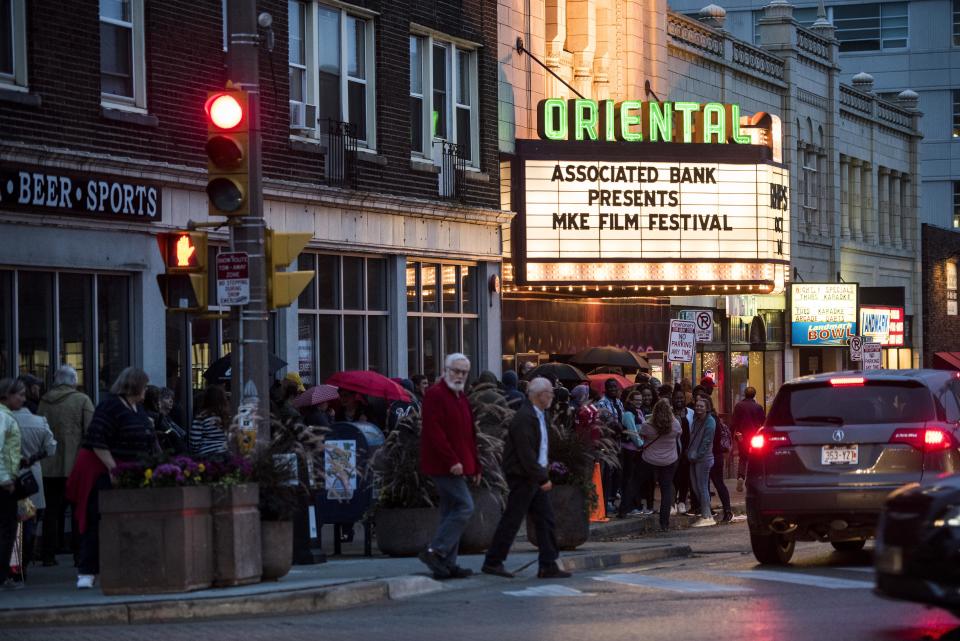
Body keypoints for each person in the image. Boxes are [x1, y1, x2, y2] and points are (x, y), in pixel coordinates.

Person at [67, 367, 157, 589]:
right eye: (144, 386)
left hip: (132, 469)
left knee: (129, 520)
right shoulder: (110, 406)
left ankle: (125, 566)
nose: (146, 390)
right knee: (97, 517)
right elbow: (97, 439)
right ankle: (87, 571)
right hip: (105, 470)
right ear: (135, 385)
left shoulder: (138, 409)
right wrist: (113, 469)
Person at [482, 377, 571, 579]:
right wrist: (542, 478)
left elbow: (539, 447)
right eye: (549, 393)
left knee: (545, 519)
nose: (552, 396)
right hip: (524, 476)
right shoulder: (525, 417)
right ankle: (493, 561)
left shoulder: (538, 415)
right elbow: (526, 452)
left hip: (532, 475)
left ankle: (548, 564)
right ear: (540, 395)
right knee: (513, 519)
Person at [417, 353, 480, 580]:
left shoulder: (461, 397)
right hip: (444, 464)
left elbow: (469, 434)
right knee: (464, 506)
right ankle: (436, 550)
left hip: (458, 464)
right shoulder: (435, 395)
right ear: (446, 370)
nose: (460, 375)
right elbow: (434, 432)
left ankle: (446, 562)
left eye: (463, 372)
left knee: (451, 511)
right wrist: (452, 460)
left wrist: (476, 466)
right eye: (456, 371)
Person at [37, 365, 94, 567]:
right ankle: (79, 555)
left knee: (51, 512)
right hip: (75, 466)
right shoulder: (82, 400)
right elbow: (91, 432)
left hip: (49, 465)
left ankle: (48, 555)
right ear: (73, 380)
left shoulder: (44, 402)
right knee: (80, 510)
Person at [11, 397, 56, 575]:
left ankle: (13, 565)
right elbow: (51, 448)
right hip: (31, 477)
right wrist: (33, 458)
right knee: (28, 519)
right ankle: (23, 563)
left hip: (9, 475)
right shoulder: (40, 422)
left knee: (10, 522)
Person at [639, 398, 682, 531]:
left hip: (650, 460)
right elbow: (679, 435)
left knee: (639, 483)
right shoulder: (675, 424)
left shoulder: (648, 425)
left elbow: (641, 435)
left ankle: (629, 508)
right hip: (669, 460)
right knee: (666, 490)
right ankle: (664, 523)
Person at [0, 378, 24, 589]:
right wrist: (5, 479)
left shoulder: (5, 416)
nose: (23, 399)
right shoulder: (3, 417)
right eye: (20, 394)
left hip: (6, 480)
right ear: (7, 395)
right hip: (4, 484)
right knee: (6, 530)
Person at [595, 378, 625, 515]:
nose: (614, 389)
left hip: (619, 443)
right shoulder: (602, 403)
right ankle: (606, 502)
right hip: (607, 443)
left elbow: (622, 419)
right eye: (611, 387)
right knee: (607, 473)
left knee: (617, 473)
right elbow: (603, 424)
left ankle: (613, 500)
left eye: (615, 387)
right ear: (606, 389)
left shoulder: (618, 402)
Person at [688, 395, 717, 527]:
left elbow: (707, 441)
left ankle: (707, 516)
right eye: (697, 405)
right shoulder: (696, 419)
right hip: (693, 458)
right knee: (696, 487)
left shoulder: (710, 421)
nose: (698, 408)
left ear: (707, 408)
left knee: (702, 487)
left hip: (704, 459)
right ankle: (706, 513)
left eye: (701, 406)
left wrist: (698, 454)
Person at [617, 390, 646, 518]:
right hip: (630, 449)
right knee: (629, 479)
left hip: (637, 449)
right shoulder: (628, 414)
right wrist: (641, 445)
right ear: (631, 400)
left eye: (640, 399)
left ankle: (634, 505)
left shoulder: (638, 412)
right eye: (636, 400)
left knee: (635, 479)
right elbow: (632, 431)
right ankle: (626, 507)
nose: (639, 402)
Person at [732, 386, 766, 492]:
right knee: (755, 459)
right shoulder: (758, 407)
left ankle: (741, 477)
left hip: (742, 436)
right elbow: (763, 422)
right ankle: (751, 481)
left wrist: (733, 433)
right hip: (756, 437)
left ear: (744, 394)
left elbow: (734, 422)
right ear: (754, 395)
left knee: (743, 458)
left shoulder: (738, 406)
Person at [144, 386, 188, 455]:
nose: (171, 401)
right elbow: (169, 432)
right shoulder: (156, 417)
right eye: (167, 398)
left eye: (172, 398)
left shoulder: (168, 417)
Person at [190, 385, 230, 458]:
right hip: (225, 454)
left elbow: (194, 443)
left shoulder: (201, 417)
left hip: (206, 457)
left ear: (206, 399)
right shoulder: (226, 417)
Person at [671, 387, 694, 516]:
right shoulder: (669, 413)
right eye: (676, 398)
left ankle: (682, 501)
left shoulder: (690, 412)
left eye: (681, 398)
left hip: (687, 450)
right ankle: (672, 501)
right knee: (673, 477)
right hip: (672, 450)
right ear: (672, 399)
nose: (679, 400)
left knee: (685, 476)